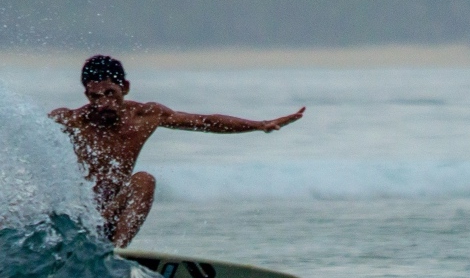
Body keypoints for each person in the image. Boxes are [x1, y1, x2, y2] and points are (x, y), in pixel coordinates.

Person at [50, 55, 305, 247]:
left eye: (110, 93)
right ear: (86, 94)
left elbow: (205, 122)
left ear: (125, 88)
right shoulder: (68, 121)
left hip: (113, 216)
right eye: (95, 97)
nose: (104, 103)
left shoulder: (145, 116)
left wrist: (260, 125)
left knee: (144, 180)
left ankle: (117, 253)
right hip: (78, 218)